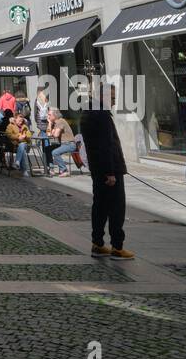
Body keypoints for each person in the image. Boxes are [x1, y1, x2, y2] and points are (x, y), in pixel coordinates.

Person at [80, 94, 134, 259]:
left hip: (97, 169)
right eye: (111, 97)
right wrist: (111, 172)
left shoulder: (87, 114)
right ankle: (117, 247)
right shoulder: (102, 115)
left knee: (100, 207)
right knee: (116, 208)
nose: (114, 100)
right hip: (110, 170)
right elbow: (107, 144)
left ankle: (97, 244)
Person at [47, 108, 77, 176]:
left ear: (55, 115)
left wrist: (53, 132)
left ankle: (64, 170)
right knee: (48, 149)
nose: (48, 116)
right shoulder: (55, 123)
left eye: (49, 115)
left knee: (55, 152)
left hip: (69, 144)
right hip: (63, 144)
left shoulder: (60, 121)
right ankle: (51, 169)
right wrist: (49, 123)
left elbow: (56, 135)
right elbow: (48, 134)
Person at [5, 110, 32, 176]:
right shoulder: (10, 126)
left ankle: (17, 161)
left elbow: (29, 135)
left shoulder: (25, 126)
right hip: (15, 145)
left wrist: (25, 136)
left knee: (22, 145)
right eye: (19, 121)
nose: (21, 122)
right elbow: (8, 134)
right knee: (21, 149)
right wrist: (18, 137)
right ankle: (24, 170)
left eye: (22, 121)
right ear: (15, 119)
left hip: (25, 144)